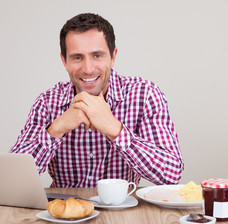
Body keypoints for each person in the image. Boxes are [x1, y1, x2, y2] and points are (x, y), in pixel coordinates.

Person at [10, 13, 184, 188]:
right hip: (65, 211)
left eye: (97, 55)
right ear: (64, 61)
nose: (88, 69)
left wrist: (114, 129)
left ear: (113, 56)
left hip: (123, 211)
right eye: (77, 57)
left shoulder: (145, 95)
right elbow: (12, 178)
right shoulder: (47, 102)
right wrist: (56, 129)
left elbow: (172, 174)